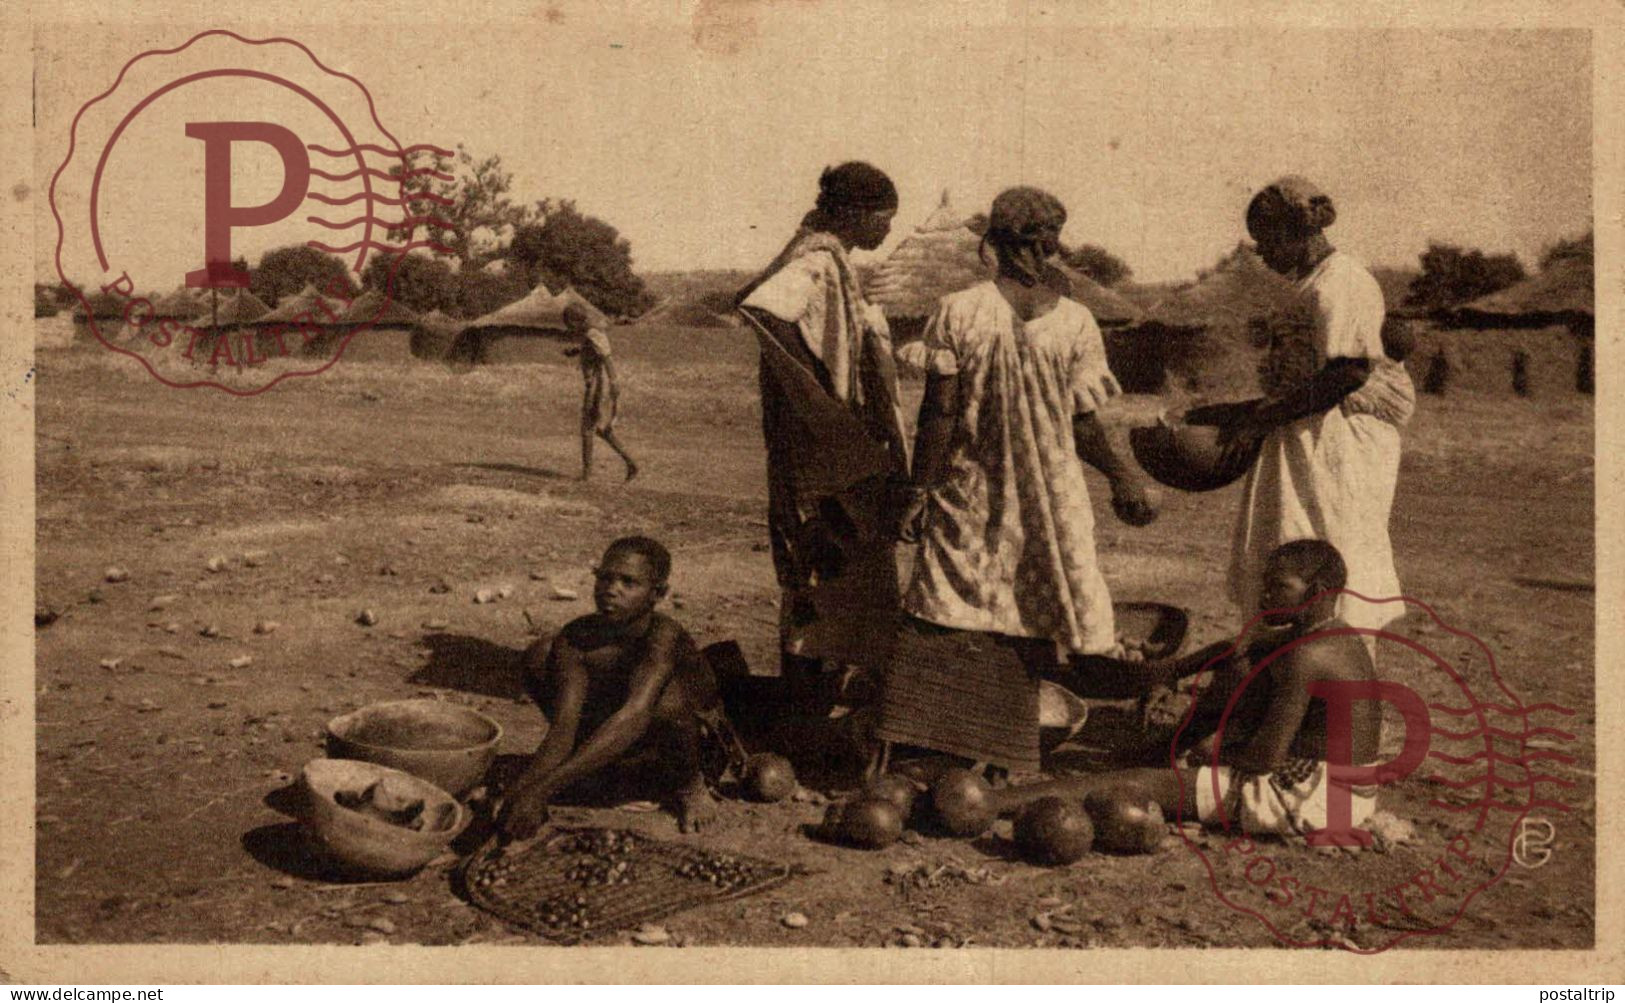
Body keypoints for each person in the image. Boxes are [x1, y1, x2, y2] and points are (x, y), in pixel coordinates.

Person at [881, 186, 1157, 773]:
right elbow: (1084, 424)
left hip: (971, 490)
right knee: (1030, 613)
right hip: (1050, 498)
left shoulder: (961, 309)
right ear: (1051, 243)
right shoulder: (1076, 322)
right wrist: (1123, 477)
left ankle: (935, 743)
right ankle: (1007, 747)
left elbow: (941, 414)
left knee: (953, 607)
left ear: (992, 244)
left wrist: (917, 490)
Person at [735, 162, 910, 718]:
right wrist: (824, 409)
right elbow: (763, 308)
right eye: (884, 219)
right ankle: (804, 711)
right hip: (821, 458)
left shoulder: (828, 261)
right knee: (821, 568)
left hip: (827, 452)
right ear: (857, 215)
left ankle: (819, 700)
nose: (887, 230)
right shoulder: (816, 263)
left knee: (840, 574)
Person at [1221, 177, 1415, 656]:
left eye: (1266, 241)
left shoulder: (1342, 282)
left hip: (1337, 444)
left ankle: (1335, 687)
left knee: (1329, 553)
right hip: (1304, 437)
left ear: (1294, 232)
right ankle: (1284, 686)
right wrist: (1240, 413)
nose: (1262, 253)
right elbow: (1303, 379)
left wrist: (1262, 418)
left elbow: (1346, 372)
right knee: (1286, 554)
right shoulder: (1309, 284)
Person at [1073, 539, 1382, 839]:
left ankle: (1024, 799)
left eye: (1278, 587)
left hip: (1321, 801)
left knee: (1135, 784)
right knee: (1241, 663)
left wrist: (1213, 753)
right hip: (1350, 789)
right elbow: (1234, 650)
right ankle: (1163, 752)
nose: (1265, 596)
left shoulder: (1308, 657)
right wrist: (1170, 671)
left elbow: (1264, 760)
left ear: (1316, 592)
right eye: (1266, 585)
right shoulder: (1331, 634)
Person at [498, 537, 734, 838]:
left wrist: (543, 789)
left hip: (693, 745)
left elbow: (635, 716)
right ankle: (605, 772)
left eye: (628, 582)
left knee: (668, 704)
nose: (611, 589)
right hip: (627, 736)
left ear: (657, 593)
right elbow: (564, 727)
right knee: (540, 655)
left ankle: (690, 787)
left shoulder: (664, 637)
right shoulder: (576, 636)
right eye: (605, 577)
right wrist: (525, 790)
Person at [563, 304, 638, 482]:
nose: (569, 328)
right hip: (596, 384)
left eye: (569, 323)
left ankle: (587, 474)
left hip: (598, 385)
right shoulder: (589, 333)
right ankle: (630, 463)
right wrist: (576, 351)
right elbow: (594, 350)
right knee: (600, 429)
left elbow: (606, 357)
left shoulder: (593, 333)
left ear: (575, 321)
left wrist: (614, 383)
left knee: (587, 429)